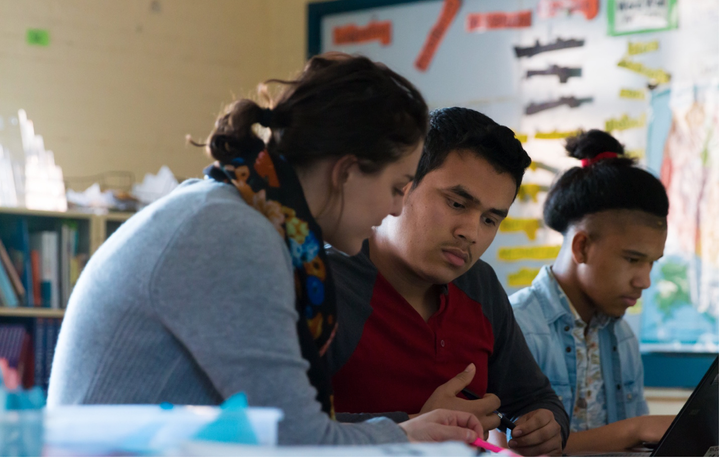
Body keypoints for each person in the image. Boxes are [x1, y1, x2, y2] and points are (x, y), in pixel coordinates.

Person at [47, 54, 487, 446]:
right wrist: (401, 440)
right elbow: (297, 440)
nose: (397, 207)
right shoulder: (233, 235)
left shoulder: (239, 210)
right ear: (347, 171)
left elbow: (287, 428)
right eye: (396, 187)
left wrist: (402, 432)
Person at [328, 107, 569, 456]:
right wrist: (411, 426)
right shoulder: (320, 282)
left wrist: (547, 425)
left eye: (489, 220)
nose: (470, 233)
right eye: (457, 203)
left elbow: (534, 398)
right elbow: (270, 428)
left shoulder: (480, 285)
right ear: (401, 186)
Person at [509, 130, 675, 454]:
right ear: (582, 247)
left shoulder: (623, 336)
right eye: (633, 259)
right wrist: (636, 429)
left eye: (652, 263)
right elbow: (506, 448)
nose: (645, 280)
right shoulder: (516, 326)